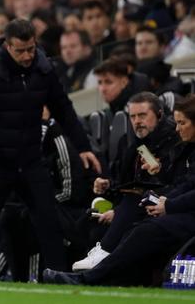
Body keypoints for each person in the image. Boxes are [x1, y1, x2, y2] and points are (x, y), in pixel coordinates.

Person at [0, 19, 101, 279]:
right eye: (20, 51)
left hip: (30, 160)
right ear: (7, 46)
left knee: (48, 221)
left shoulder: (43, 69)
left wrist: (83, 147)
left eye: (31, 49)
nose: (27, 56)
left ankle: (58, 278)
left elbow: (64, 110)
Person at [45, 94, 195, 286]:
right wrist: (109, 187)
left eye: (182, 123)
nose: (177, 128)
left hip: (183, 211)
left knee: (142, 226)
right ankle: (98, 272)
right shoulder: (136, 145)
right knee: (121, 226)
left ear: (158, 115)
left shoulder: (176, 143)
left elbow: (182, 184)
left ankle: (92, 272)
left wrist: (168, 204)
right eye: (132, 116)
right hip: (170, 205)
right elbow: (183, 183)